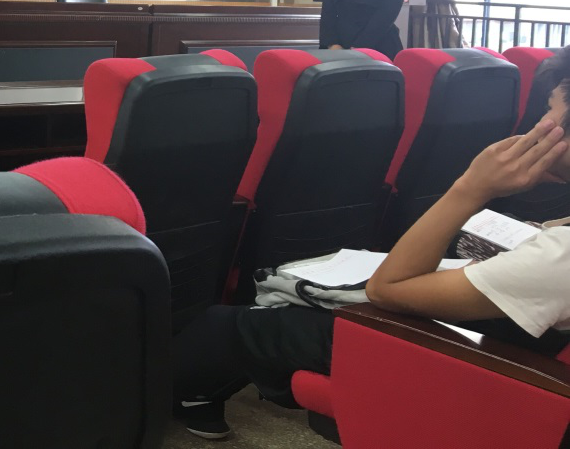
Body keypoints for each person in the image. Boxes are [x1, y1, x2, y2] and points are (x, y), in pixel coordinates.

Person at [172, 48, 570, 440]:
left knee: (232, 324)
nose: (539, 123)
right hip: (521, 339)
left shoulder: (559, 258)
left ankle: (145, 403)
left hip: (487, 369)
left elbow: (388, 289)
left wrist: (471, 187)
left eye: (549, 110)